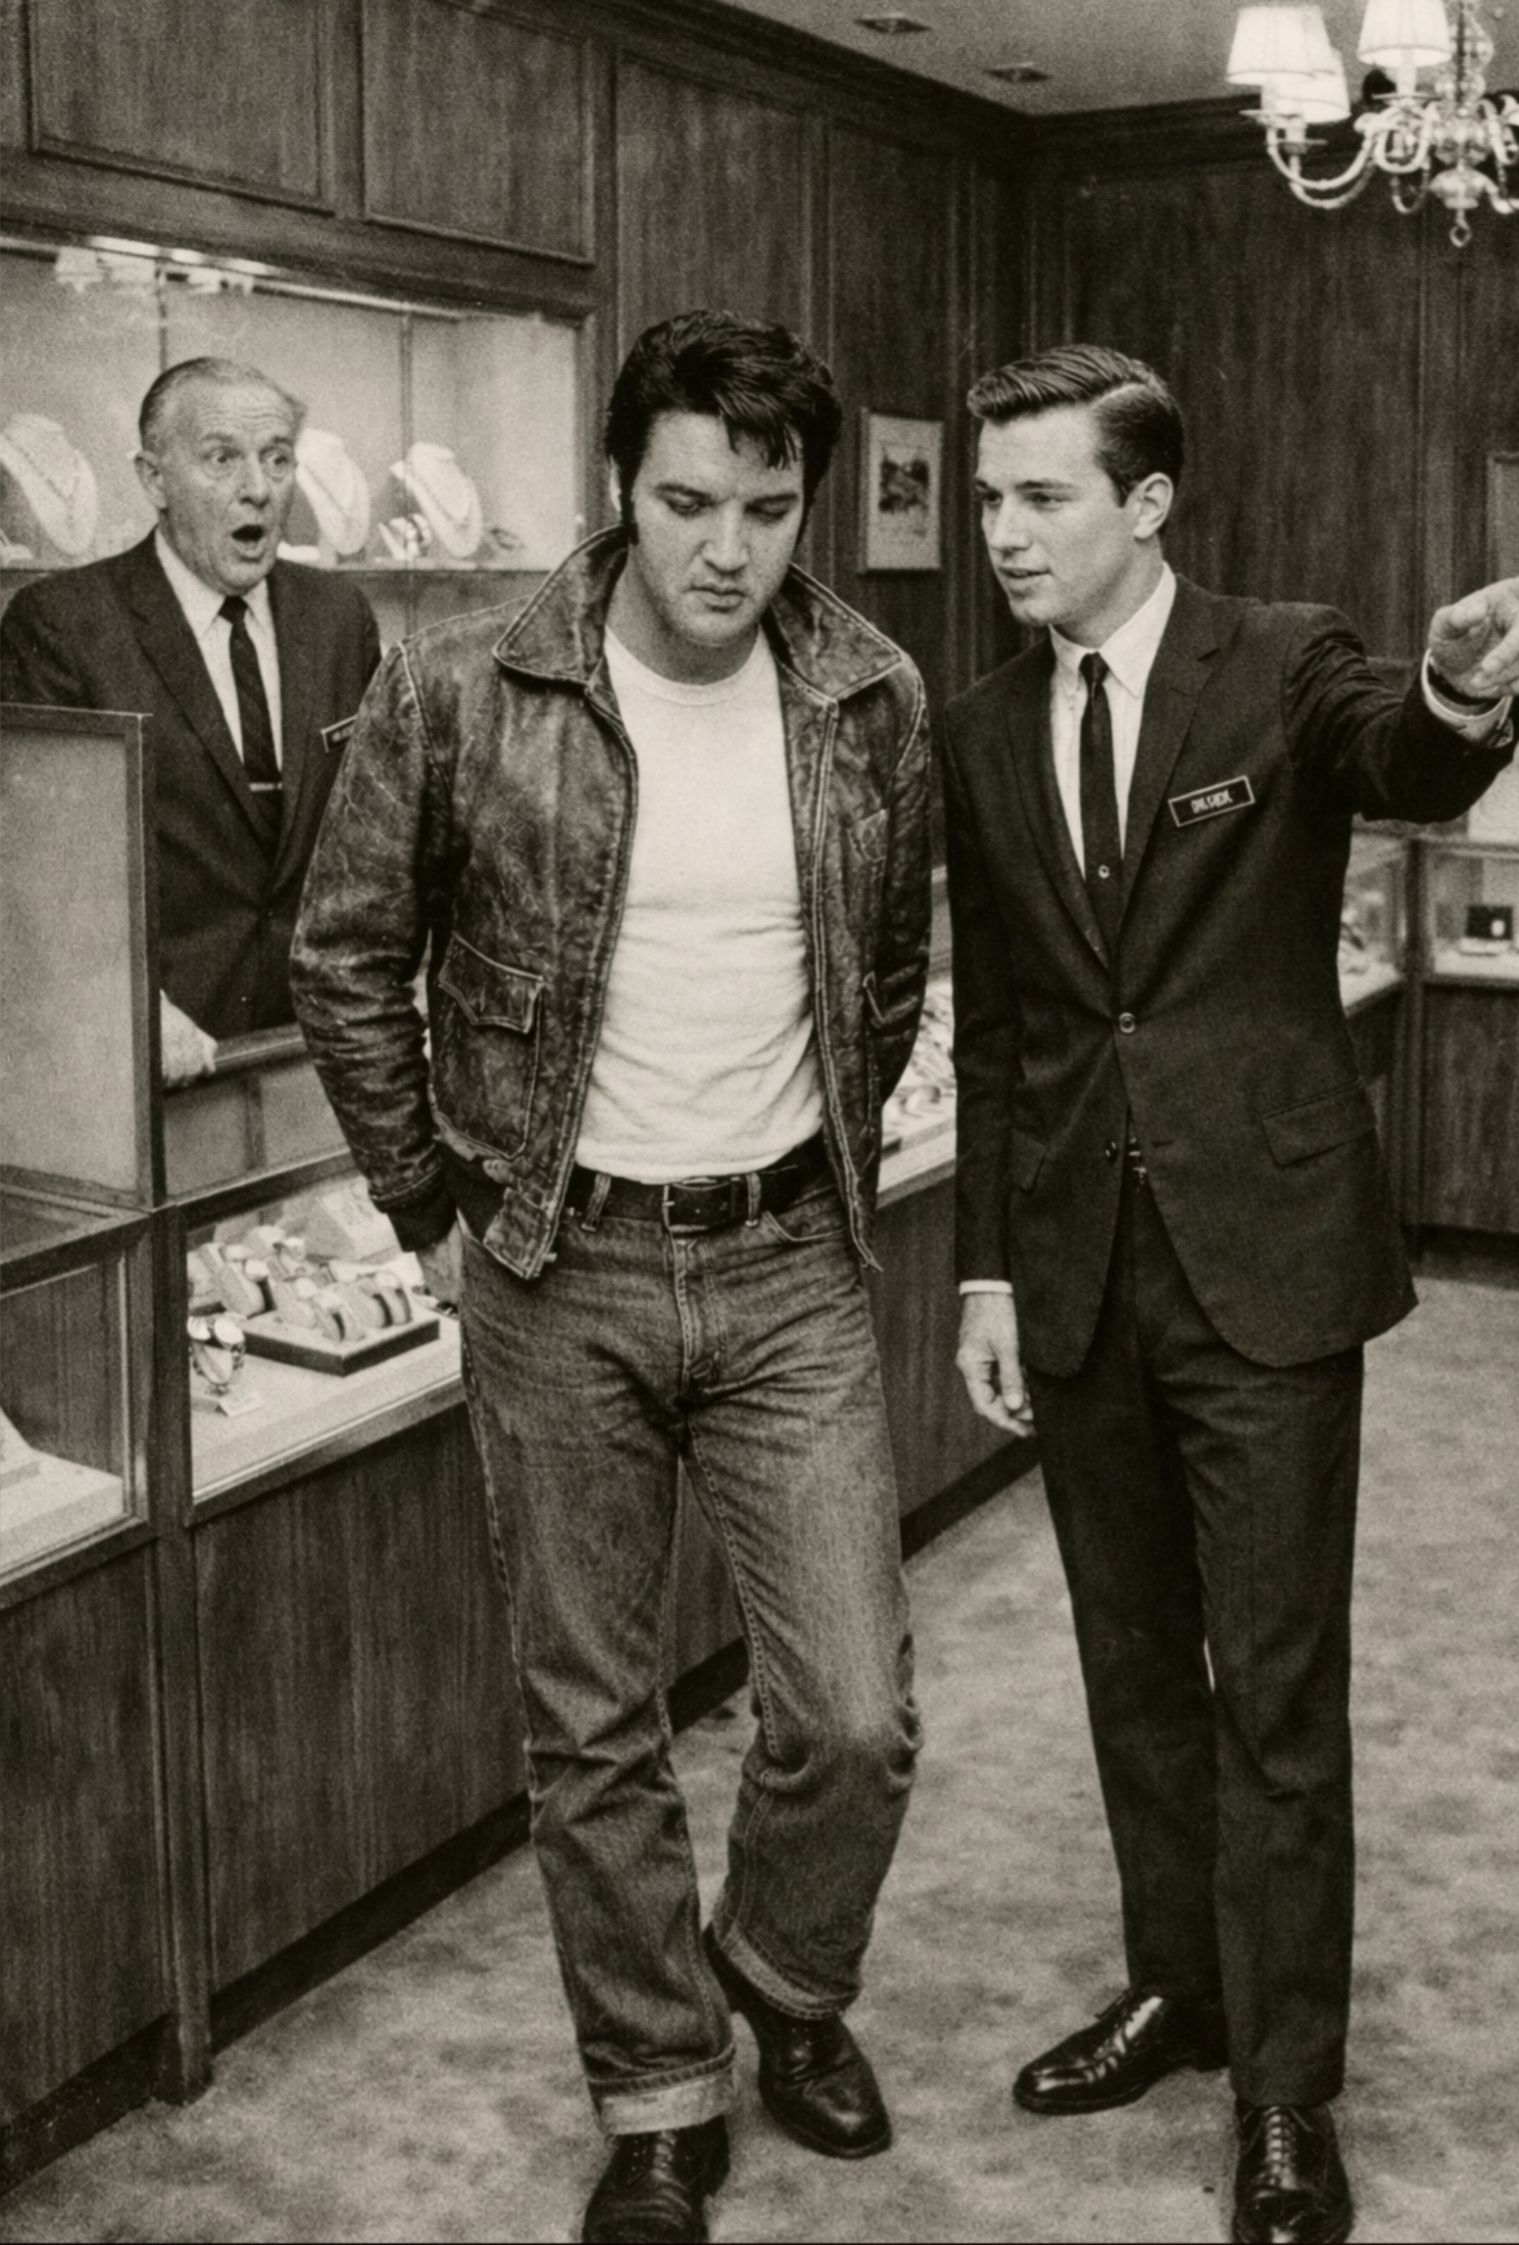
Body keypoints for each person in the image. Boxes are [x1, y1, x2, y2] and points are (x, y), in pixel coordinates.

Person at [291, 310, 931, 2245]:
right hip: (553, 1263)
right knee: (590, 1719)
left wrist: (831, 1163)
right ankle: (658, 2093)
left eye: (766, 508)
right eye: (686, 503)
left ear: (805, 506)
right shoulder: (466, 681)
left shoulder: (868, 690)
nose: (727, 548)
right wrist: (426, 1201)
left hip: (790, 1260)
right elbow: (347, 950)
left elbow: (887, 971)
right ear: (620, 489)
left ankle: (781, 1980)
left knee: (852, 1713)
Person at [943, 343, 1519, 2245]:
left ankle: (1286, 2091)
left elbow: (1404, 757)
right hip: (1077, 1272)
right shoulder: (981, 723)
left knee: (1275, 1698)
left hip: (1267, 1271)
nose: (1001, 535)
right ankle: (1179, 1986)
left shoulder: (1281, 659)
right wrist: (984, 1266)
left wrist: (1458, 690)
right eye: (985, 500)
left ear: (1144, 505)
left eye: (1040, 497)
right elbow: (1001, 1032)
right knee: (1133, 1668)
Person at [0, 356, 379, 1082]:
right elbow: (36, 871)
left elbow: (375, 837)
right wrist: (128, 1002)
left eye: (277, 458)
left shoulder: (337, 617)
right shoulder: (64, 626)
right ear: (154, 480)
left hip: (318, 1051)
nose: (258, 488)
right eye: (221, 458)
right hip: (154, 1063)